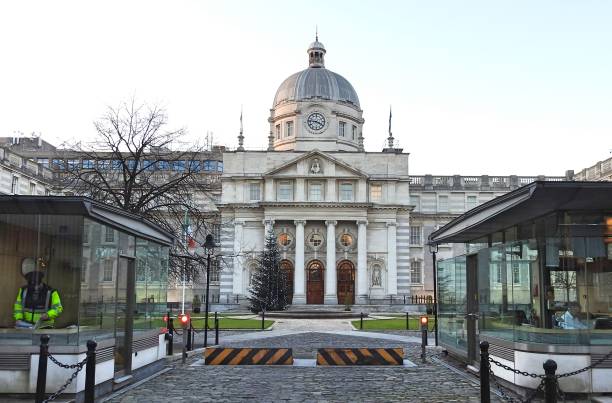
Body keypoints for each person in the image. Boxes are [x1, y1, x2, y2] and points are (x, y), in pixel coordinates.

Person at [13, 257, 63, 329]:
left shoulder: (51, 292)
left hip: (44, 327)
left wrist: (48, 315)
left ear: (40, 281)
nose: (34, 288)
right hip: (26, 326)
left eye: (36, 285)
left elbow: (58, 308)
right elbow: (18, 307)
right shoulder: (23, 290)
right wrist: (18, 318)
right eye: (31, 285)